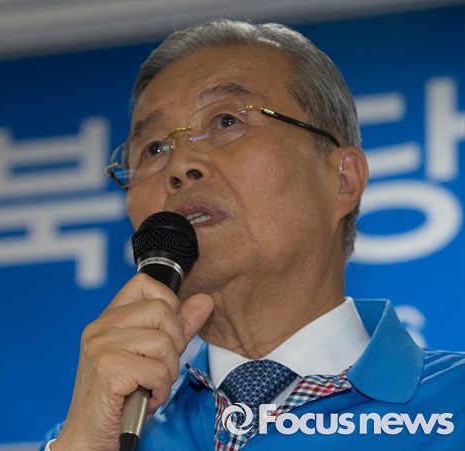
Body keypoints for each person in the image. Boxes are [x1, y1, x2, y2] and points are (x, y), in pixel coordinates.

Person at [41, 19, 464, 450]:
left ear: (342, 180)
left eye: (226, 120)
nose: (179, 165)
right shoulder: (97, 437)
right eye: (154, 148)